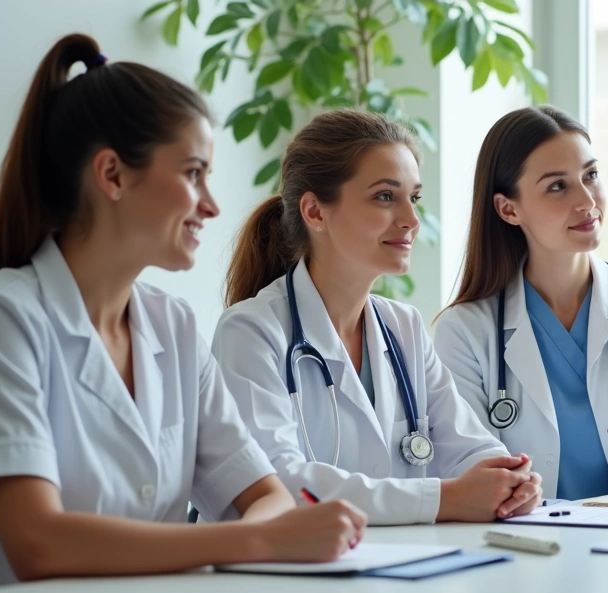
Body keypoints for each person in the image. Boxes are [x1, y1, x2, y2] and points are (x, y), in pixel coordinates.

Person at [0, 34, 367, 593]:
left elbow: (266, 496)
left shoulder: (174, 328)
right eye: (193, 174)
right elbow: (38, 543)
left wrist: (270, 530)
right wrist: (260, 540)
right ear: (113, 175)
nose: (212, 206)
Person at [213, 109, 543, 526]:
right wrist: (443, 499)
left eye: (413, 198)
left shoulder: (403, 328)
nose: (411, 220)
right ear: (315, 212)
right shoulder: (251, 331)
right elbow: (275, 484)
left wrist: (510, 479)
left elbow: (469, 446)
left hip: (396, 559)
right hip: (288, 565)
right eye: (385, 197)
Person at [432, 106, 608, 501]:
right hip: (524, 536)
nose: (587, 200)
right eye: (558, 186)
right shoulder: (465, 331)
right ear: (509, 209)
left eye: (590, 175)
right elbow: (477, 471)